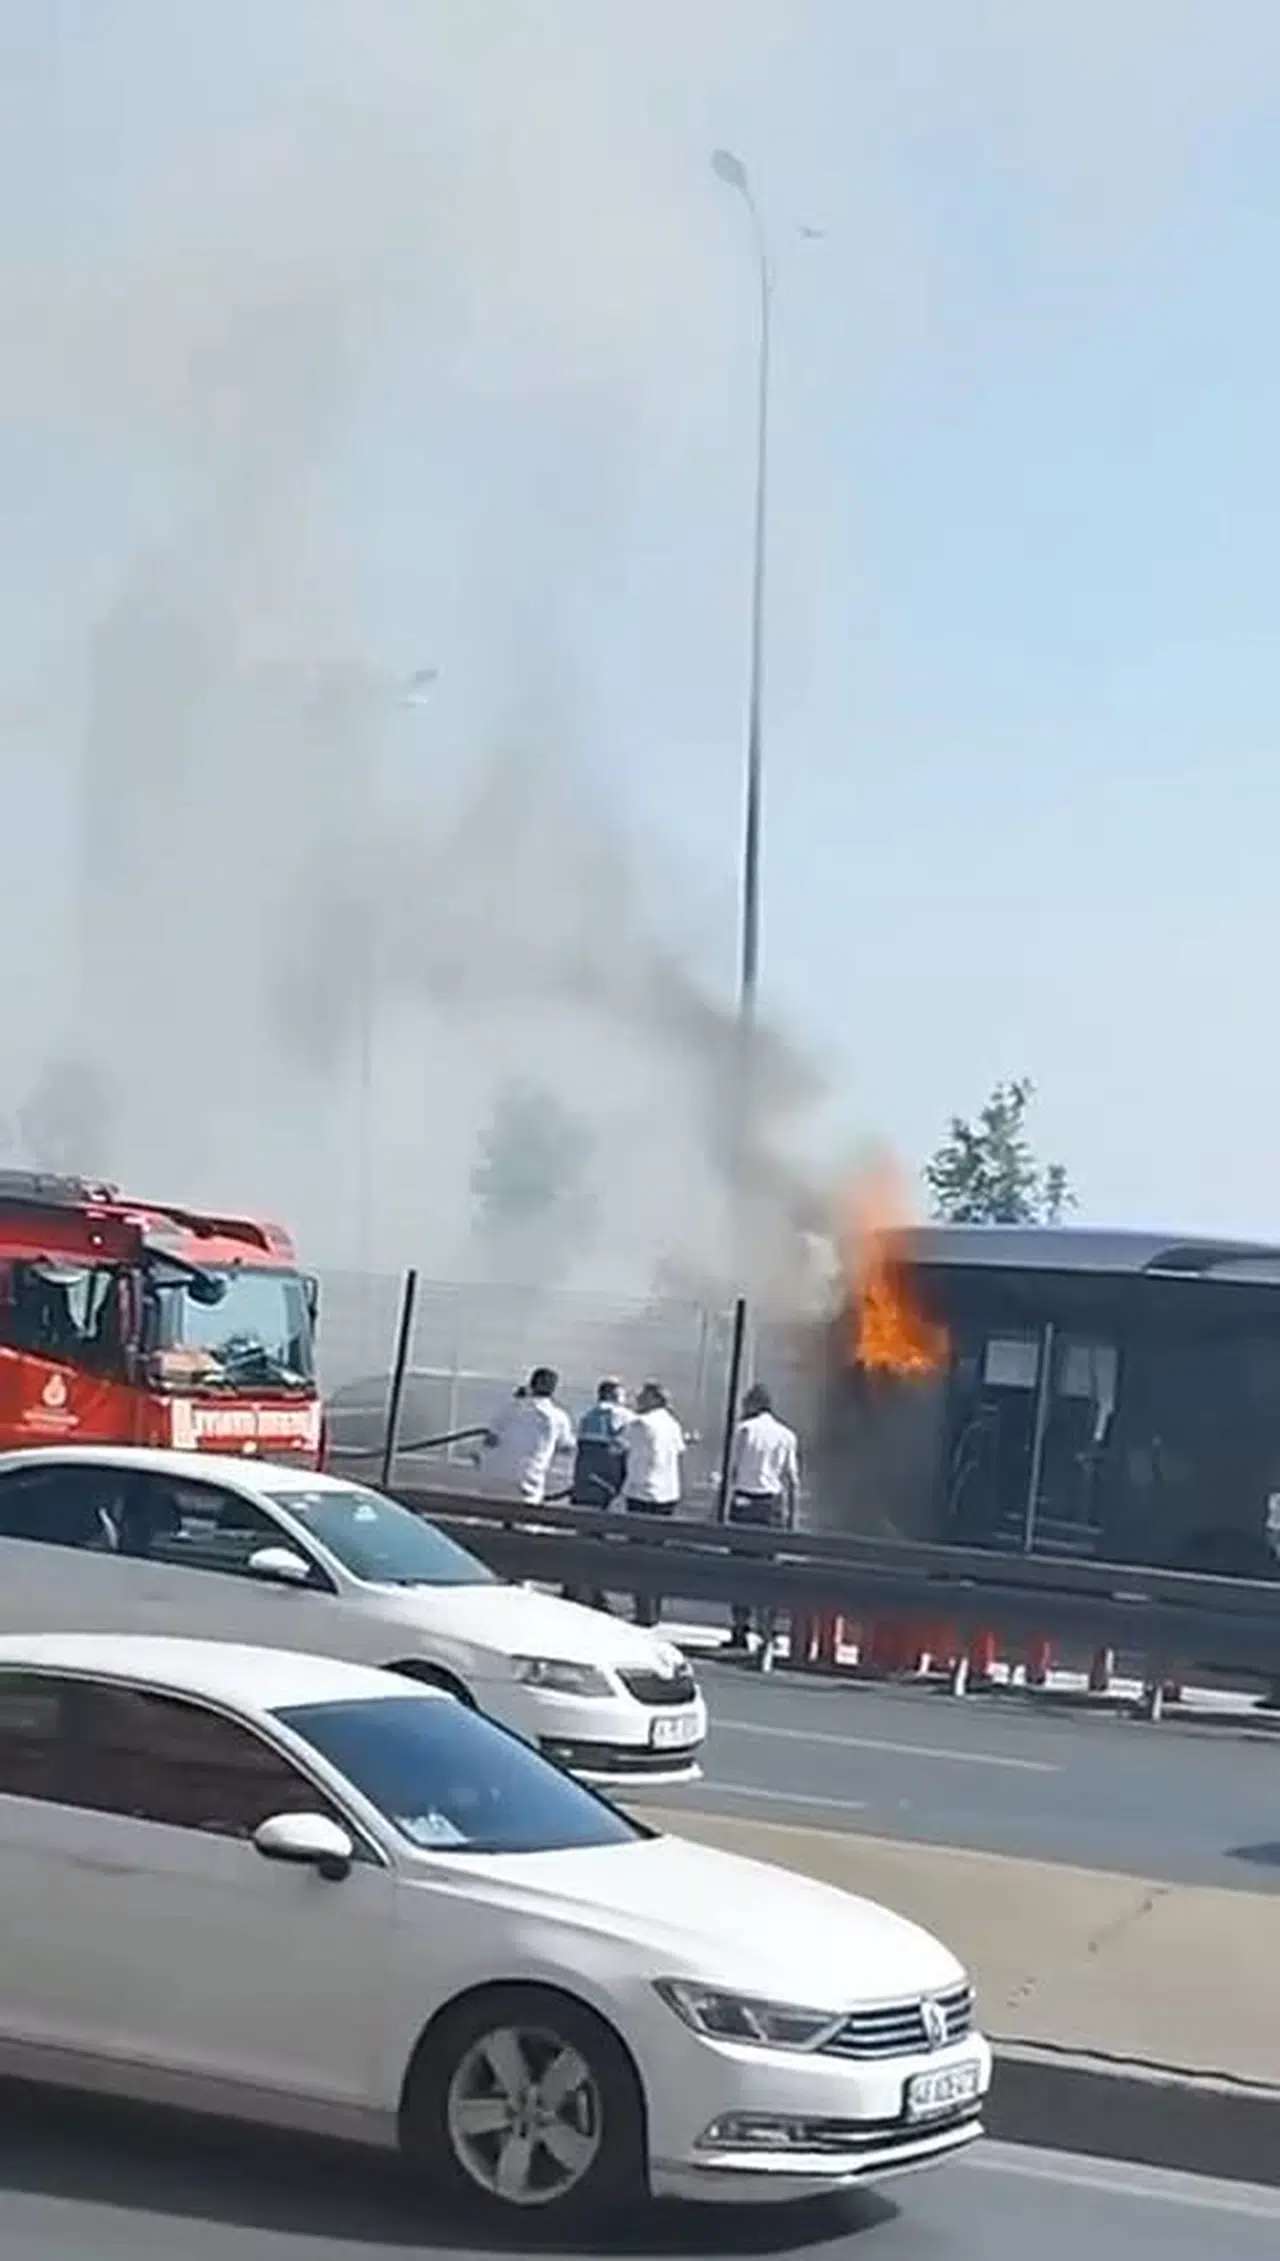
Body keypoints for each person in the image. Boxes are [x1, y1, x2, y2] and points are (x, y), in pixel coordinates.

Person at [726, 1382, 800, 1659]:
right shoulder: (786, 1435)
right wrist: (792, 1517)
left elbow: (733, 1470)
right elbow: (791, 1479)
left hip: (745, 1504)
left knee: (739, 1569)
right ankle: (766, 1631)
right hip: (771, 1508)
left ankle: (740, 1628)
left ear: (754, 1404)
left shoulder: (744, 1431)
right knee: (767, 1571)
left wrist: (719, 1510)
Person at [563, 1380, 632, 1608]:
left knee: (583, 1534)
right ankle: (595, 1593)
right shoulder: (622, 1416)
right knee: (600, 1540)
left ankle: (573, 1587)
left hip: (584, 1483)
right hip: (607, 1486)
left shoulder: (587, 1416)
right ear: (614, 1395)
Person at [623, 1381, 686, 1628]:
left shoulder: (641, 1423)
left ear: (653, 1400)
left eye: (642, 1396)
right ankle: (654, 1610)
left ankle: (643, 1612)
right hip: (668, 1493)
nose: (638, 1400)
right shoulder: (673, 1424)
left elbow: (619, 1445)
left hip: (642, 1492)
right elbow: (679, 1450)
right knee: (658, 1555)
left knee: (638, 1555)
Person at [480, 1367, 574, 1505]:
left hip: (495, 1480)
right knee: (526, 1520)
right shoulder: (558, 1417)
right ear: (554, 1389)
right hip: (529, 1481)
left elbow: (490, 1440)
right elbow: (567, 1447)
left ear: (531, 1384)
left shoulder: (508, 1408)